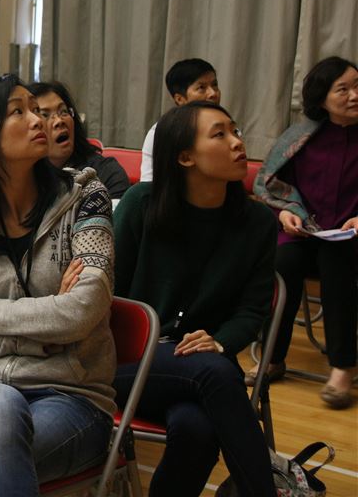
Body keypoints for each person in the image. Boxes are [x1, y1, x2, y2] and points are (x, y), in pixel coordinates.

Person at [0, 74, 116, 497]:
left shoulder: (85, 196)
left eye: (36, 109)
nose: (38, 120)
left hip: (73, 395)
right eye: (20, 111)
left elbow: (81, 312)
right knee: (0, 405)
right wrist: (37, 332)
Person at [114, 101, 276, 497]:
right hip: (130, 364)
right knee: (214, 372)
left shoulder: (257, 222)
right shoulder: (141, 204)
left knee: (198, 430)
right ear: (185, 157)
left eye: (236, 131)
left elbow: (252, 309)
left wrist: (220, 342)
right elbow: (107, 295)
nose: (237, 143)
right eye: (220, 134)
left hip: (206, 366)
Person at [252, 56, 358, 409]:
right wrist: (285, 213)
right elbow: (274, 186)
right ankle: (273, 358)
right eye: (343, 89)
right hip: (303, 232)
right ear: (322, 97)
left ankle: (342, 367)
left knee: (337, 264)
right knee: (283, 262)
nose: (354, 95)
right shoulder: (301, 137)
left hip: (350, 239)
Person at [31, 81, 130, 198]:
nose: (59, 121)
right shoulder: (23, 180)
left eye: (63, 111)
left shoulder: (106, 173)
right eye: (45, 115)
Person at [140, 58, 220, 181]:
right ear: (180, 99)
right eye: (201, 88)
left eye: (214, 85)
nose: (213, 93)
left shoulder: (229, 129)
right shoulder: (161, 133)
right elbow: (149, 184)